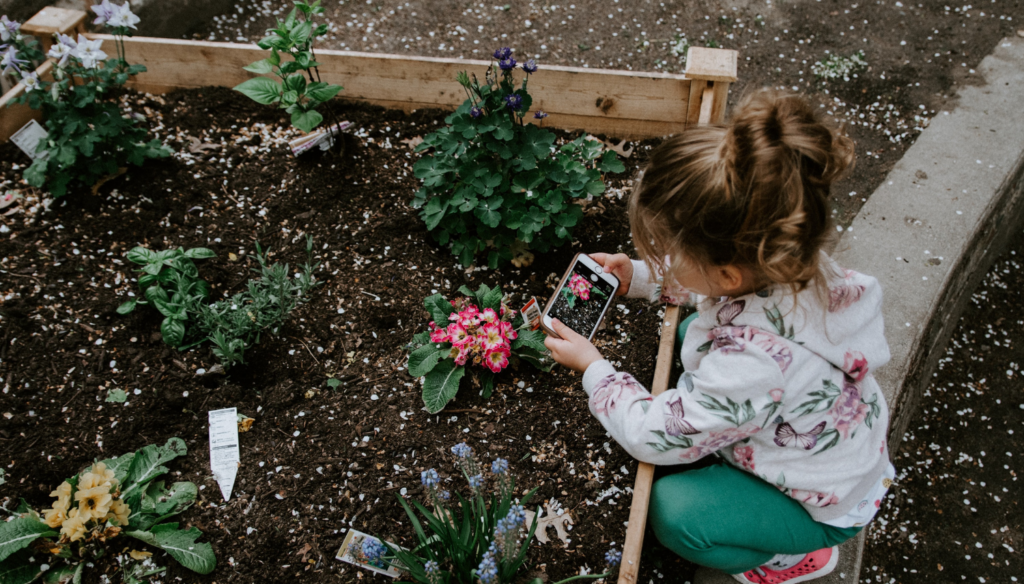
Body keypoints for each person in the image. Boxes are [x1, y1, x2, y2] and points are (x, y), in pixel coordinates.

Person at [544, 89, 895, 584]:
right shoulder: (794, 264)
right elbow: (714, 290)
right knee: (693, 330)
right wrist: (641, 278)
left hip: (819, 504)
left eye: (669, 250)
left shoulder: (754, 364)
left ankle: (787, 556)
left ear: (729, 273)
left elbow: (652, 437)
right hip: (828, 448)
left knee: (676, 515)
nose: (664, 255)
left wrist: (594, 369)